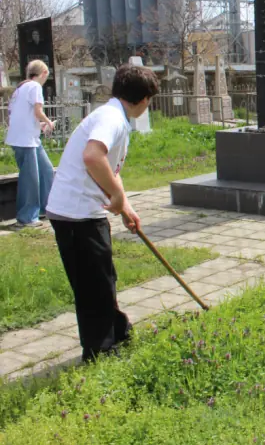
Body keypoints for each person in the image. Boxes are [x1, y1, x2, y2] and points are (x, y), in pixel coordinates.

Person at [45, 64, 159, 363]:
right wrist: (118, 196)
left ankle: (118, 331)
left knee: (103, 276)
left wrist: (126, 208)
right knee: (92, 284)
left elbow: (107, 167)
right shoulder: (112, 119)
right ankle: (99, 350)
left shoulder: (111, 115)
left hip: (82, 210)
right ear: (144, 99)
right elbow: (92, 157)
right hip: (75, 213)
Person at [4, 60, 55, 228]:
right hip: (25, 141)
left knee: (46, 171)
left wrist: (38, 125)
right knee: (30, 178)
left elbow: (21, 115)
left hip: (26, 138)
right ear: (44, 74)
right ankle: (27, 216)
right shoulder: (35, 87)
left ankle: (46, 208)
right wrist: (49, 122)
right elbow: (37, 111)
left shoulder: (20, 88)